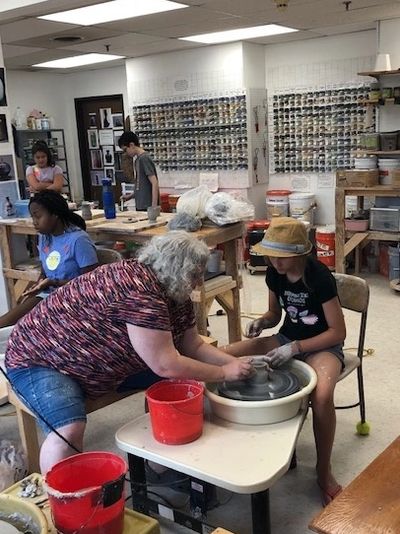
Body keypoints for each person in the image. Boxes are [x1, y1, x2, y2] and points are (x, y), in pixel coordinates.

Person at [5, 231, 253, 473]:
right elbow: (165, 364)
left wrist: (235, 365)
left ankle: (161, 462)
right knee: (68, 430)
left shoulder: (173, 290)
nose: (199, 282)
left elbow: (194, 346)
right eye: (196, 274)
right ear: (180, 270)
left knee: (185, 384)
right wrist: (222, 373)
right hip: (40, 359)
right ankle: (61, 503)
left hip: (95, 361)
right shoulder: (140, 291)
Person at [224, 217, 346, 507]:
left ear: (300, 254)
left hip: (322, 345)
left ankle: (323, 469)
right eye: (272, 256)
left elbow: (338, 331)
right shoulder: (274, 274)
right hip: (286, 338)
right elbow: (274, 315)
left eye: (283, 257)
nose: (276, 263)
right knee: (228, 353)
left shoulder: (319, 277)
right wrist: (261, 322)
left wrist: (297, 347)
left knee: (323, 393)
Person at [0, 191, 98, 328]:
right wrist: (38, 285)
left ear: (55, 214)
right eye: (32, 217)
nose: (34, 222)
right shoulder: (45, 237)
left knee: (16, 324)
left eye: (38, 216)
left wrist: (53, 282)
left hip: (74, 300)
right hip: (49, 294)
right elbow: (45, 271)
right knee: (12, 321)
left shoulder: (79, 240)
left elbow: (91, 284)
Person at [118, 131, 159, 210]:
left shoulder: (144, 158)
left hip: (147, 206)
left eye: (125, 150)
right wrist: (130, 196)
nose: (126, 153)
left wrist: (154, 206)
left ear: (132, 145)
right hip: (141, 205)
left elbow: (154, 182)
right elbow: (140, 185)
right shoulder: (138, 160)